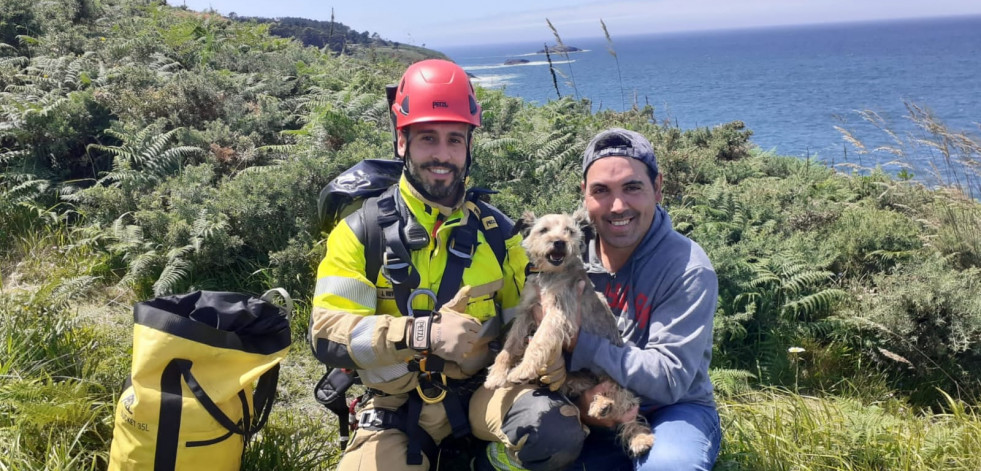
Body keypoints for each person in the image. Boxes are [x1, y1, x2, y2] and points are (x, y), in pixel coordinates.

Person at [309, 59, 585, 471]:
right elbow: (326, 337)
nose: (443, 155)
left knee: (554, 431)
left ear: (469, 146)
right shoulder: (360, 232)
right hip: (394, 408)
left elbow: (520, 316)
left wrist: (545, 344)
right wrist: (421, 332)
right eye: (427, 138)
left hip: (482, 392)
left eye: (455, 140)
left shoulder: (498, 234)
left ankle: (486, 464)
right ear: (402, 142)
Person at [570, 127, 722, 470]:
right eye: (601, 191)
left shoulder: (686, 268)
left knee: (669, 466)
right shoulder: (567, 256)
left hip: (671, 411)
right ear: (584, 194)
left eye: (632, 187)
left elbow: (669, 380)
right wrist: (581, 404)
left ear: (657, 187)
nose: (618, 205)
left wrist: (581, 345)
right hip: (588, 405)